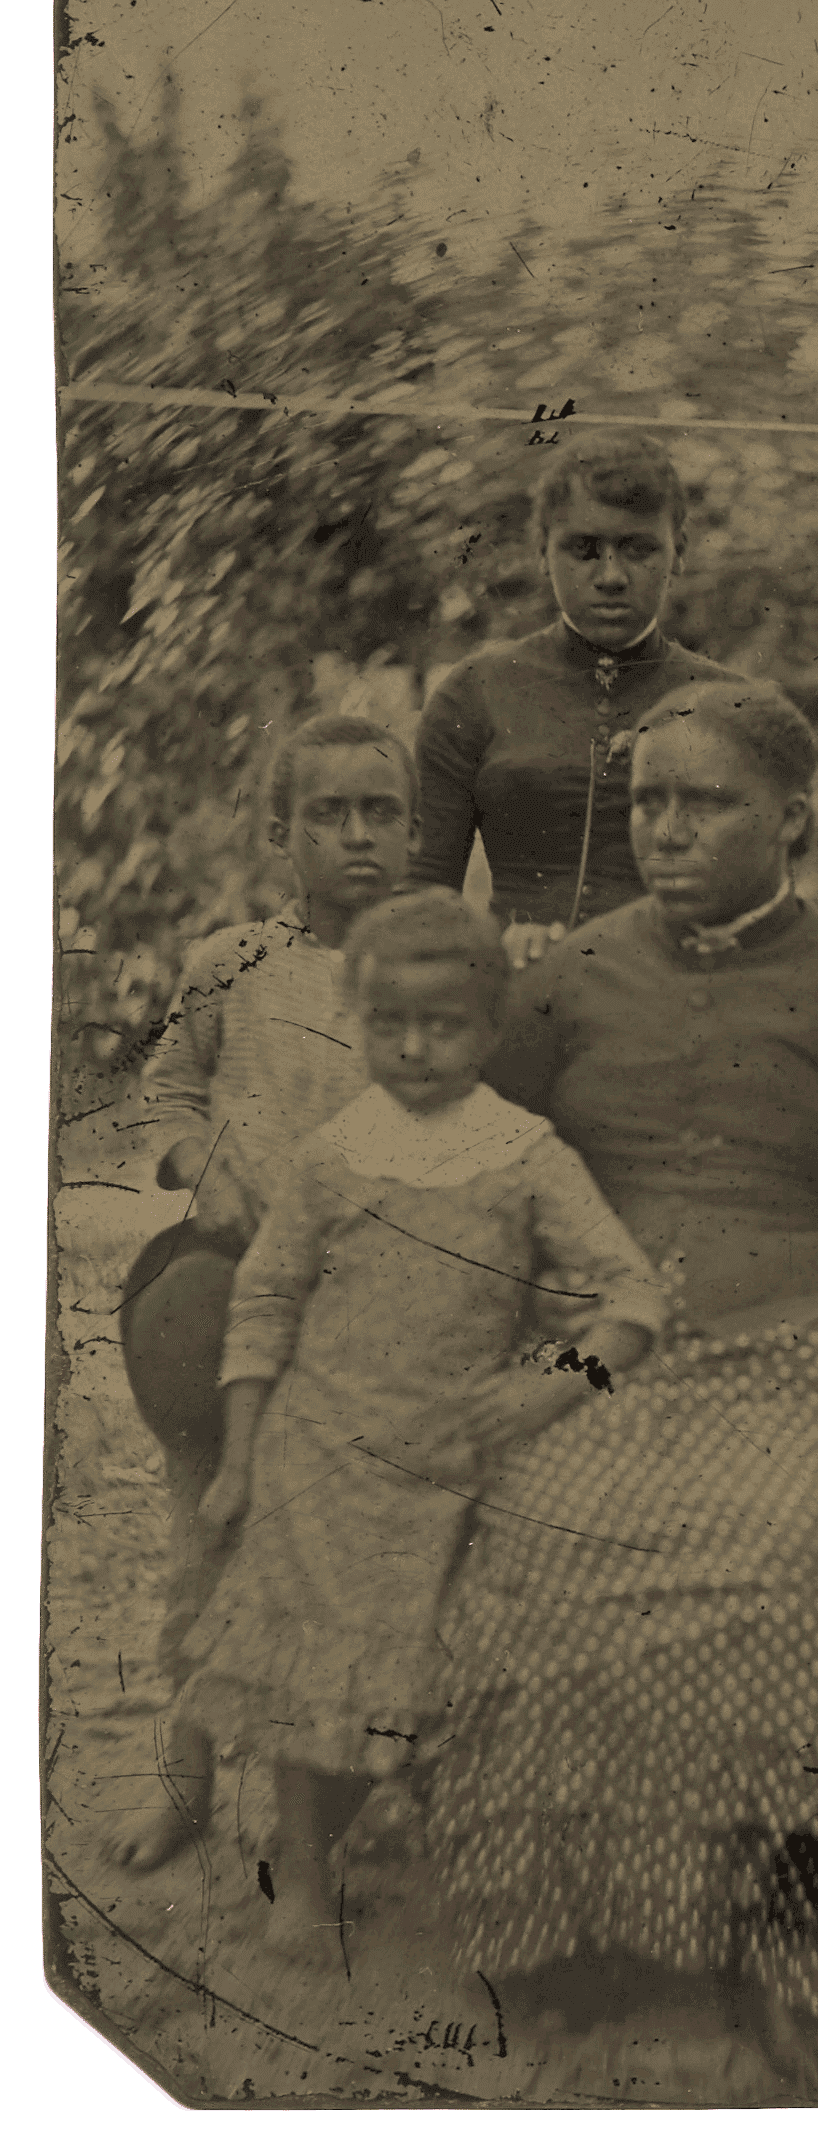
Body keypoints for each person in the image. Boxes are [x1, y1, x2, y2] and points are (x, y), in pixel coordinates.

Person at [427, 678, 818, 2092]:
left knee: (795, 1562)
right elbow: (470, 1179)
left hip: (814, 1355)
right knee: (537, 1543)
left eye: (706, 801)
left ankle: (804, 1939)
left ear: (793, 820)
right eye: (650, 803)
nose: (668, 829)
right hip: (606, 1359)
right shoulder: (560, 980)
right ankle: (579, 1933)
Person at [174, 889, 666, 1959]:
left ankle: (470, 1856)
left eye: (441, 1025)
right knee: (305, 1676)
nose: (413, 1047)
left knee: (445, 1669)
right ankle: (301, 1874)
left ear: (487, 1030)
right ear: (357, 1021)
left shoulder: (526, 1153)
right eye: (389, 1023)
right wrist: (244, 1451)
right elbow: (264, 1298)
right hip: (323, 1452)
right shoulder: (332, 1151)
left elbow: (630, 1298)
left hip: (454, 1460)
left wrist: (548, 1383)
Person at [107, 713, 419, 1873]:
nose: (355, 836)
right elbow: (167, 1086)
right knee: (208, 1537)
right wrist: (198, 1160)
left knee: (365, 1552)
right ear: (280, 831)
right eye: (327, 813)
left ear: (413, 827)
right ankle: (185, 1781)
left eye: (379, 811)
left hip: (378, 1300)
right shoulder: (229, 961)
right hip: (232, 1280)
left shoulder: (435, 961)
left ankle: (369, 1784)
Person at [411, 430, 741, 955]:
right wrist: (491, 948)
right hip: (517, 995)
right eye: (583, 550)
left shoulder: (729, 705)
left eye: (638, 549)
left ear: (679, 552)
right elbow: (423, 897)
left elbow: (760, 899)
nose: (611, 576)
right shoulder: (474, 693)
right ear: (543, 553)